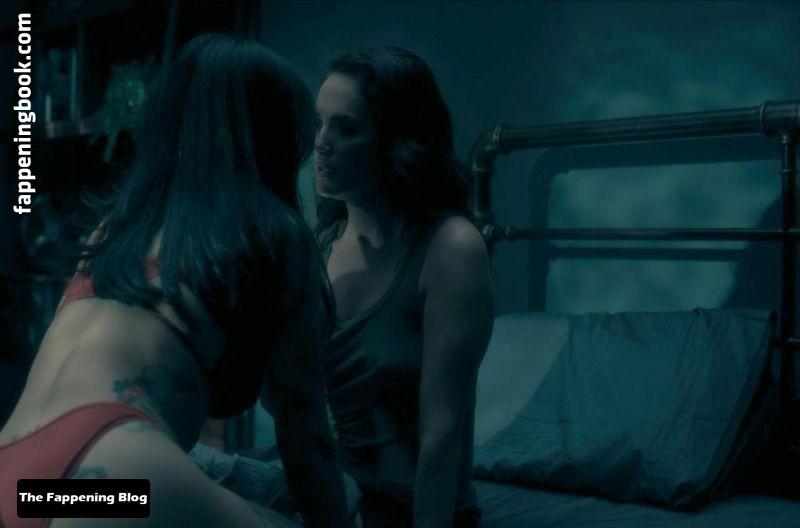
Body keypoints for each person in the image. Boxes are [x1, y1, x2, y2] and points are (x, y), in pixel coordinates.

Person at [0, 33, 348, 528]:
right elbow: (305, 434)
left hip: (25, 486)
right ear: (273, 133)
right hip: (119, 475)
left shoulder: (119, 225)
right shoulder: (272, 231)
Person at [314, 46, 494, 527]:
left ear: (397, 141)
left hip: (401, 510)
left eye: (346, 128)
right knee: (132, 492)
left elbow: (441, 432)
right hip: (329, 491)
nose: (322, 143)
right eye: (320, 123)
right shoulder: (320, 247)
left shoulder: (450, 248)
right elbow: (292, 402)